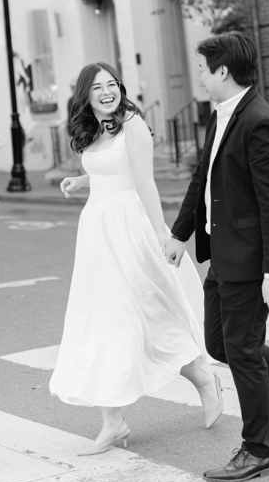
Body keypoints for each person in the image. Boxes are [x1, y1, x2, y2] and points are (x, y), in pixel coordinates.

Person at [165, 32, 269, 482]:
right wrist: (179, 233)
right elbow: (203, 179)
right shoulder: (221, 116)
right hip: (221, 252)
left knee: (240, 349)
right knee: (221, 343)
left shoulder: (259, 121)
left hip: (250, 259)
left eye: (203, 68)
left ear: (222, 71)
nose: (199, 76)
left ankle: (259, 449)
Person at [50, 61, 223, 454]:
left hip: (130, 228)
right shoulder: (96, 128)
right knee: (101, 320)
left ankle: (202, 378)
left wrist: (163, 234)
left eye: (112, 84)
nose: (108, 92)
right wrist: (83, 178)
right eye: (98, 87)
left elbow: (143, 180)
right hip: (98, 233)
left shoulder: (133, 123)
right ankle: (113, 421)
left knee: (149, 315)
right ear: (85, 95)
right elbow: (112, 169)